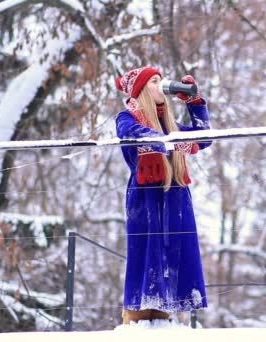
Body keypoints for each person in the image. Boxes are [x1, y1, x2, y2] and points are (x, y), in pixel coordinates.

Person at [114, 66, 211, 324]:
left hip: (176, 195)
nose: (161, 85)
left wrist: (195, 104)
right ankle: (135, 320)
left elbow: (205, 137)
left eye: (160, 80)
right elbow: (134, 134)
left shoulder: (171, 125)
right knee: (145, 254)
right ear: (142, 90)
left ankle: (166, 318)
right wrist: (171, 140)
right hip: (145, 197)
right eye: (154, 81)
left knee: (176, 253)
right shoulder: (127, 117)